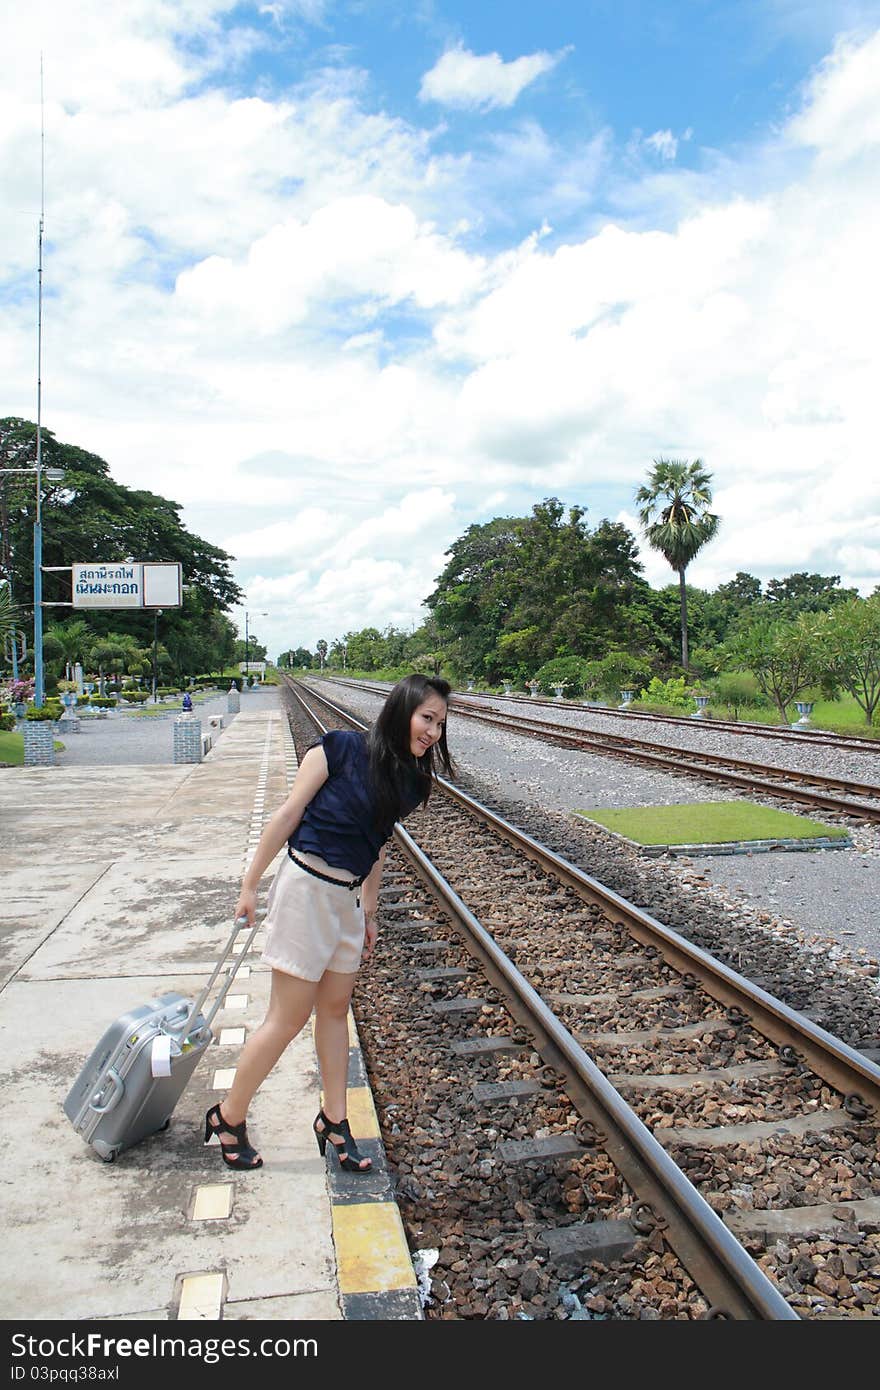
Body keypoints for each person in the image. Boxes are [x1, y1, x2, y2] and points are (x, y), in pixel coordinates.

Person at [203, 673, 454, 1172]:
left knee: (335, 1011)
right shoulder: (338, 749)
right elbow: (289, 814)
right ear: (401, 710)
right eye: (427, 718)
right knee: (288, 1018)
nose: (433, 733)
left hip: (346, 902)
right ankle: (228, 1116)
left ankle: (334, 1122)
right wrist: (250, 885)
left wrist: (369, 910)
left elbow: (378, 842)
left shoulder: (411, 778)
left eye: (441, 725)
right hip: (306, 890)